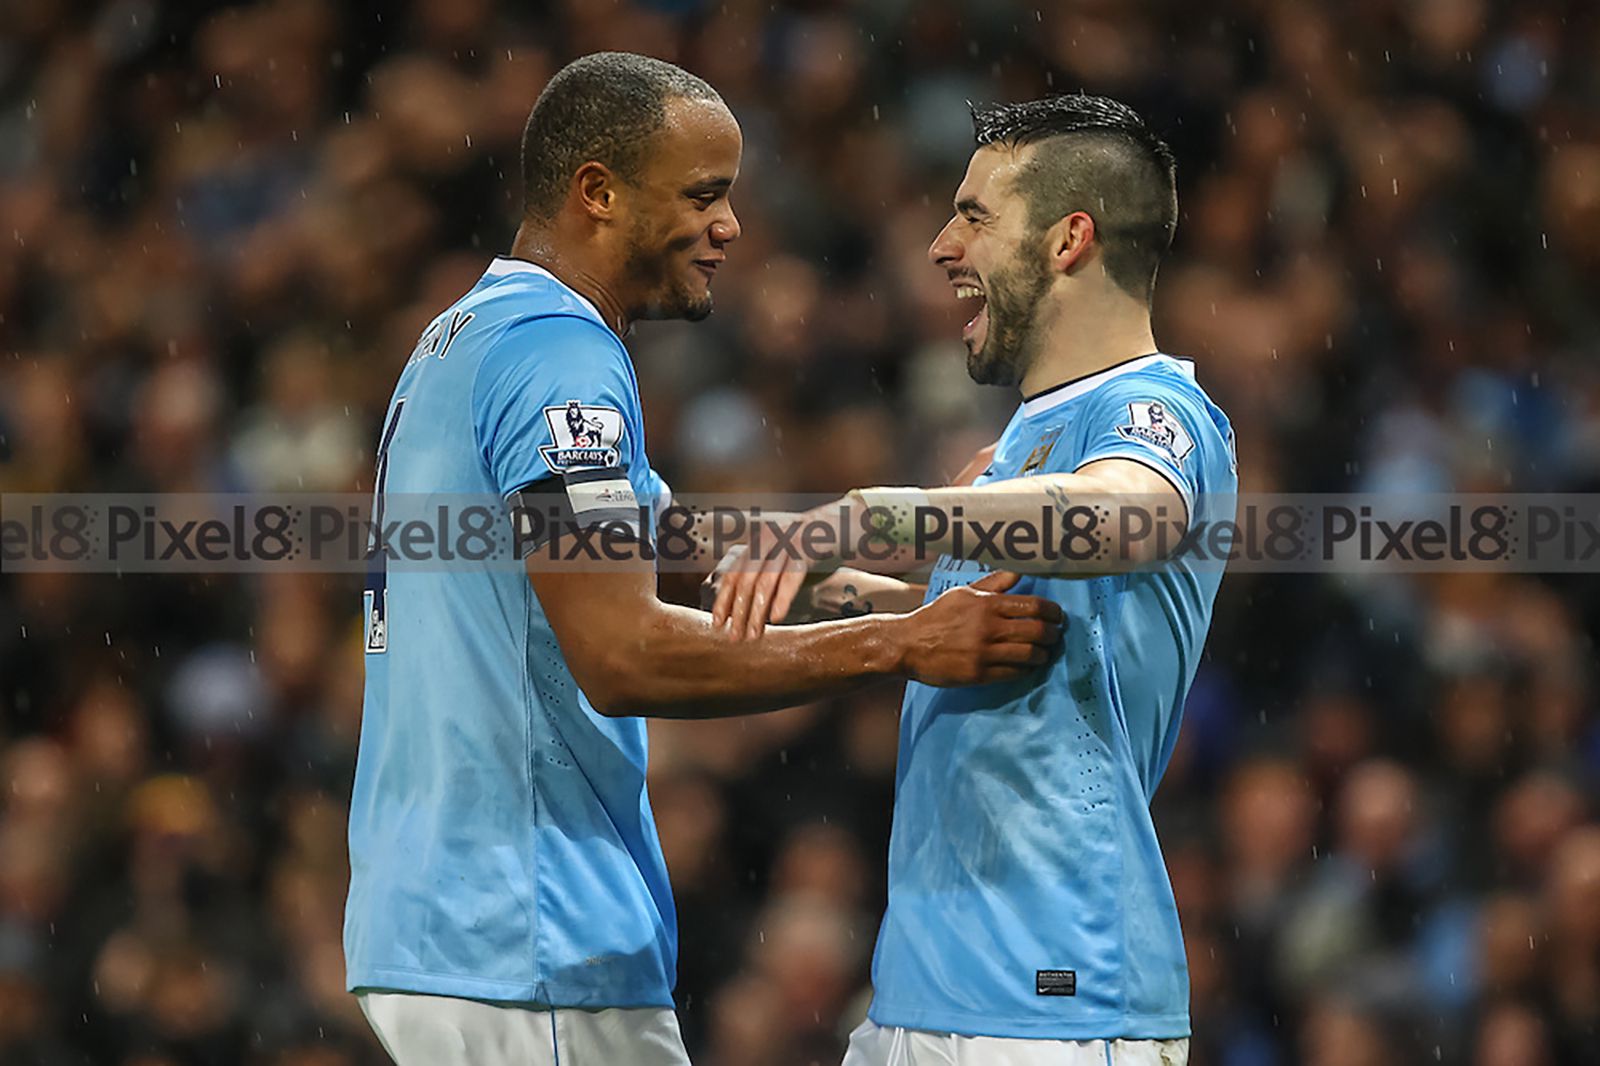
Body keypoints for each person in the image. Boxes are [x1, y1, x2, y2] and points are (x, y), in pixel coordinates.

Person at [341, 52, 1064, 1066]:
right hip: (522, 930)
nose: (729, 226)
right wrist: (897, 643)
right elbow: (622, 650)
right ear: (596, 191)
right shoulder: (559, 356)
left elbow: (689, 562)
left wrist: (928, 584)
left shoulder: (465, 340)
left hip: (454, 922)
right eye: (702, 195)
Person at [713, 93, 1237, 1065]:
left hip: (1057, 993)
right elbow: (960, 627)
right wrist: (823, 589)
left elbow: (1129, 514)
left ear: (1067, 239)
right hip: (917, 984)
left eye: (974, 215)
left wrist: (874, 512)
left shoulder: (1161, 409)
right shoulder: (1008, 454)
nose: (939, 246)